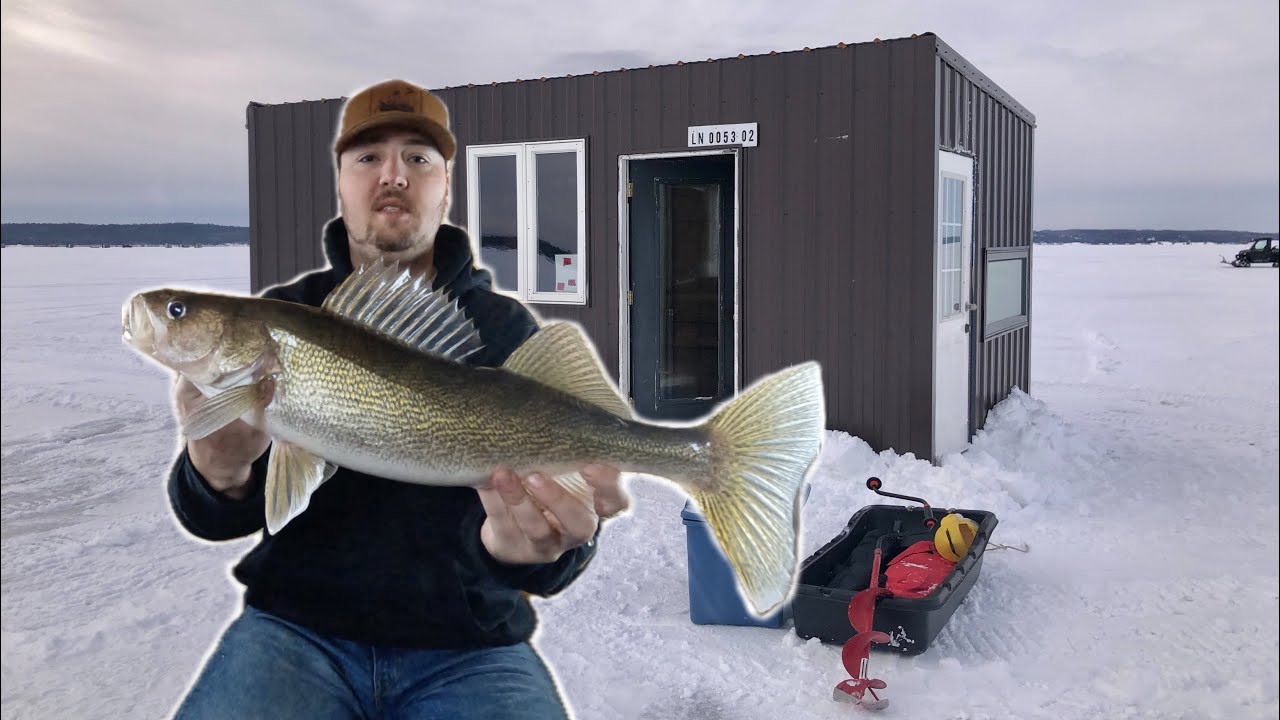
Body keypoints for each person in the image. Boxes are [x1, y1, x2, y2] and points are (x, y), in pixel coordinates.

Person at [165, 78, 628, 720]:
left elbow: (552, 560)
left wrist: (544, 545)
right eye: (368, 157)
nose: (393, 175)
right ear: (341, 182)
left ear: (446, 185)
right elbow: (214, 520)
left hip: (469, 648)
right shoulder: (287, 316)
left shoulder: (505, 332)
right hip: (294, 631)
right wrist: (217, 472)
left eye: (417, 157)